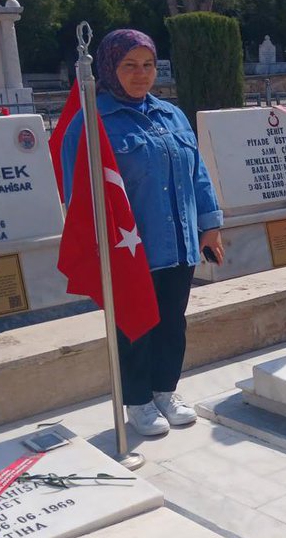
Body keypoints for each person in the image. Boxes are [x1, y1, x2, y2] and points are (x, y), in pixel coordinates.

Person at [61, 29, 224, 437]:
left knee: (173, 323)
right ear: (108, 69)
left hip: (179, 244)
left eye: (148, 65)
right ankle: (136, 400)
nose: (141, 74)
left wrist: (210, 225)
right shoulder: (90, 122)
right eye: (129, 65)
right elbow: (77, 192)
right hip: (129, 251)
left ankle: (164, 391)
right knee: (134, 327)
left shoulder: (172, 116)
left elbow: (197, 173)